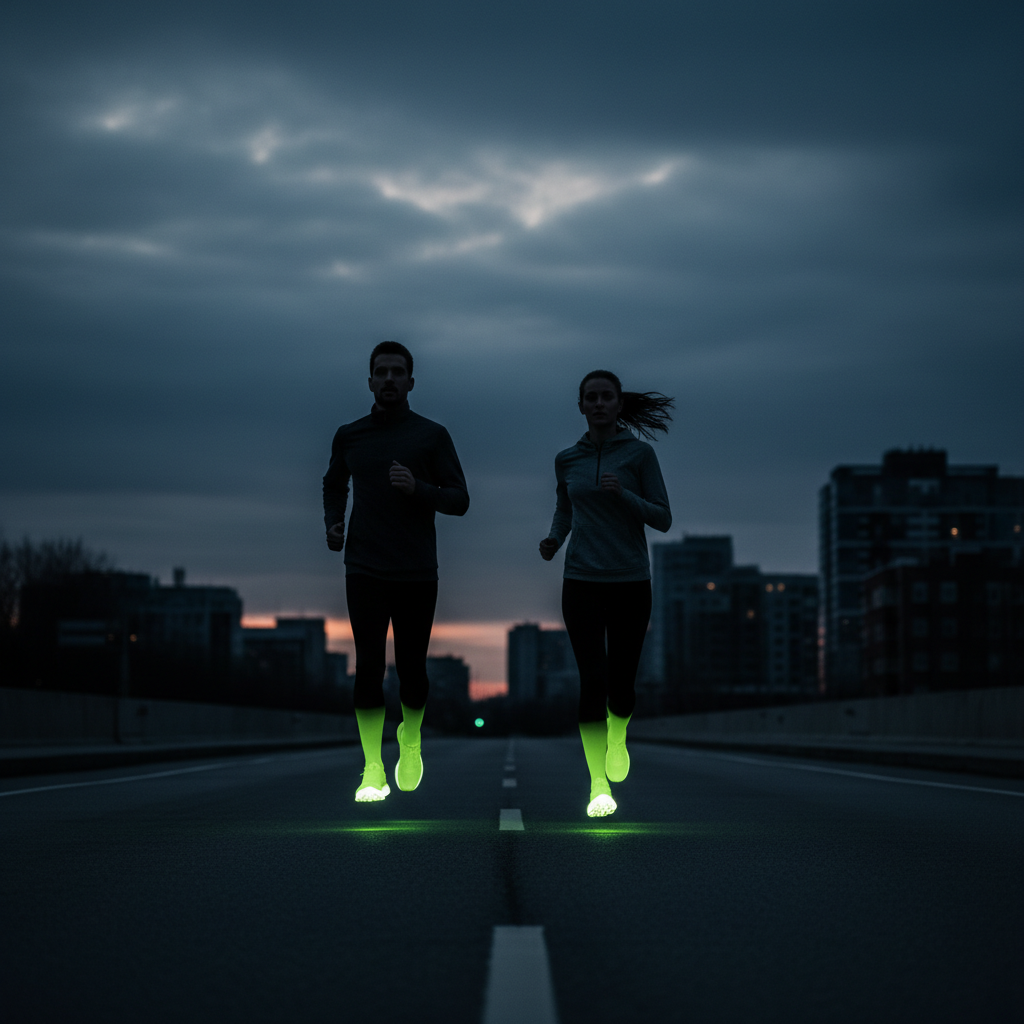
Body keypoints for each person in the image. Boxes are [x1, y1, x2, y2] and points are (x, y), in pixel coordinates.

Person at [324, 341, 469, 802]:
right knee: (368, 667)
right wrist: (333, 520)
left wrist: (417, 487)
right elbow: (333, 481)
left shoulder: (431, 435)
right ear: (369, 381)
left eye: (397, 372)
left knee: (411, 671)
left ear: (410, 381)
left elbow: (459, 499)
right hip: (364, 566)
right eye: (380, 372)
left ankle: (411, 737)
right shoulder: (350, 435)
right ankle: (371, 767)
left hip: (416, 570)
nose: (389, 379)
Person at [539, 370, 673, 817]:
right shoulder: (566, 459)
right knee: (592, 682)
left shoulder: (639, 454)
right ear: (580, 406)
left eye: (606, 397)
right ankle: (598, 782)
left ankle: (618, 734)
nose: (598, 404)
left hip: (631, 582)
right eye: (590, 398)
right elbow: (564, 508)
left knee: (622, 687)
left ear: (618, 404)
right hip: (580, 581)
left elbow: (663, 518)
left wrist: (626, 497)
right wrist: (554, 540)